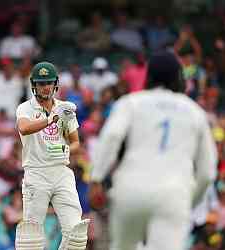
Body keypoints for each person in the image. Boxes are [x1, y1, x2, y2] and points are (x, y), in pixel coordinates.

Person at [90, 51, 217, 250]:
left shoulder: (131, 102)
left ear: (148, 76)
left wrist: (96, 178)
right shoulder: (194, 111)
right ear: (179, 78)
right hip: (173, 195)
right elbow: (208, 172)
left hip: (130, 190)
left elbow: (112, 137)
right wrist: (190, 200)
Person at [15, 61, 89, 250]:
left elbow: (75, 142)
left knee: (76, 235)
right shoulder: (25, 108)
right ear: (34, 85)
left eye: (48, 82)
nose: (45, 87)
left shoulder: (65, 108)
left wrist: (66, 149)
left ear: (55, 84)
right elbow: (23, 128)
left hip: (62, 172)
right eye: (41, 83)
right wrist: (51, 119)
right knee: (30, 237)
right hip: (36, 173)